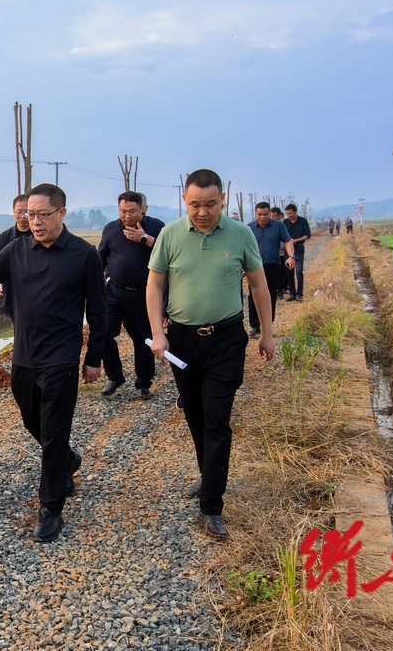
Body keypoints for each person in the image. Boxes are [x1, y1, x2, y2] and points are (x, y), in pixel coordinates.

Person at [0, 183, 105, 543]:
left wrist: (93, 358)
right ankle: (66, 459)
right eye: (30, 214)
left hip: (61, 358)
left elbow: (99, 311)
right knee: (32, 420)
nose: (35, 221)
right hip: (24, 355)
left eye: (43, 214)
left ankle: (50, 508)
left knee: (54, 431)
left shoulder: (84, 254)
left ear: (61, 213)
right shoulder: (16, 249)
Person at [146, 169, 275, 541]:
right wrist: (159, 334)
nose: (202, 212)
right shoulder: (170, 235)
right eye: (195, 205)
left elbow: (258, 284)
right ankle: (209, 475)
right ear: (184, 201)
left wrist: (267, 334)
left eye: (210, 205)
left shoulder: (240, 234)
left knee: (217, 419)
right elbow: (154, 286)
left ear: (223, 200)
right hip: (183, 341)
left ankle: (211, 506)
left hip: (226, 340)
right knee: (195, 413)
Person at [97, 191, 165, 400]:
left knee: (143, 340)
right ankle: (115, 376)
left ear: (142, 208)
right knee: (103, 333)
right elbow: (101, 258)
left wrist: (145, 239)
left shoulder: (156, 227)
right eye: (123, 211)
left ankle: (143, 383)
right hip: (114, 291)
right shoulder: (111, 229)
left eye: (132, 211)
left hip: (144, 295)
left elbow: (168, 252)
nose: (127, 216)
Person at [246, 202, 295, 337]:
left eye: (265, 214)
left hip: (272, 266)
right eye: (259, 214)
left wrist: (291, 256)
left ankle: (267, 326)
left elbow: (287, 241)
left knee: (270, 296)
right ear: (255, 214)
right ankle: (255, 326)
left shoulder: (278, 226)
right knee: (253, 295)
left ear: (270, 214)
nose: (262, 217)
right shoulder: (248, 228)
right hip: (254, 268)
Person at [0, 194, 31, 318]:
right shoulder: (4, 237)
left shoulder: (40, 235)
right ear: (13, 212)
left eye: (27, 212)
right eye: (19, 212)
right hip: (11, 293)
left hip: (34, 292)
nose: (23, 216)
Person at [283, 203, 311, 301]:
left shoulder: (303, 221)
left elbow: (307, 235)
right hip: (288, 250)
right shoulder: (285, 222)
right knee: (289, 271)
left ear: (295, 212)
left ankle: (299, 294)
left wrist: (297, 240)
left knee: (299, 271)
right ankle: (292, 294)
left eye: (290, 213)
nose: (289, 215)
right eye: (287, 214)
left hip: (299, 248)